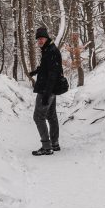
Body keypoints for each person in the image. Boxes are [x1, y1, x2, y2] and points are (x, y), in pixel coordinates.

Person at [28, 26, 63, 156]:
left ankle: (46, 146)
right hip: (49, 89)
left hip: (47, 89)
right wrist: (35, 71)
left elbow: (53, 74)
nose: (40, 41)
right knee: (51, 116)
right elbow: (46, 67)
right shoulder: (48, 49)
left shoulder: (51, 51)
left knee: (38, 117)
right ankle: (54, 143)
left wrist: (47, 94)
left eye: (42, 38)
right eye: (38, 39)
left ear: (46, 38)